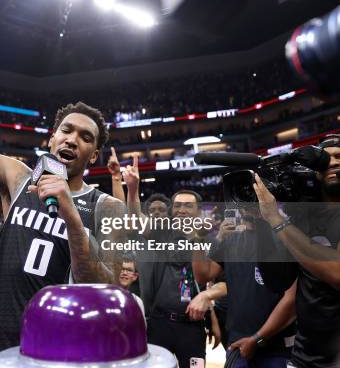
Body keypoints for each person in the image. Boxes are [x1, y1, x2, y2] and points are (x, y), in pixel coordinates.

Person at [0, 1, 125, 367]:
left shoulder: (107, 207)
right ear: (52, 138)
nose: (72, 139)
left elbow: (109, 288)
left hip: (62, 352)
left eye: (85, 138)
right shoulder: (19, 177)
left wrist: (72, 218)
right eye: (66, 131)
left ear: (94, 155)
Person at [254, 135, 340, 368]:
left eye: (339, 157)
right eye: (325, 159)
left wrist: (276, 219)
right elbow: (278, 282)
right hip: (305, 357)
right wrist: (261, 222)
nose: (333, 162)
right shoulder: (303, 219)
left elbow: (336, 273)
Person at [192, 213, 297, 367]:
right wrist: (199, 237)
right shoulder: (232, 240)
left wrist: (257, 339)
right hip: (238, 344)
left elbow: (291, 300)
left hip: (276, 347)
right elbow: (203, 275)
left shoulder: (286, 240)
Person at [139, 190, 211, 368]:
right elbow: (135, 217)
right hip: (159, 323)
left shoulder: (211, 241)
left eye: (188, 205)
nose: (181, 210)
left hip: (192, 327)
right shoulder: (161, 234)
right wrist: (133, 188)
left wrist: (213, 319)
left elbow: (215, 284)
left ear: (199, 211)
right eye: (177, 205)